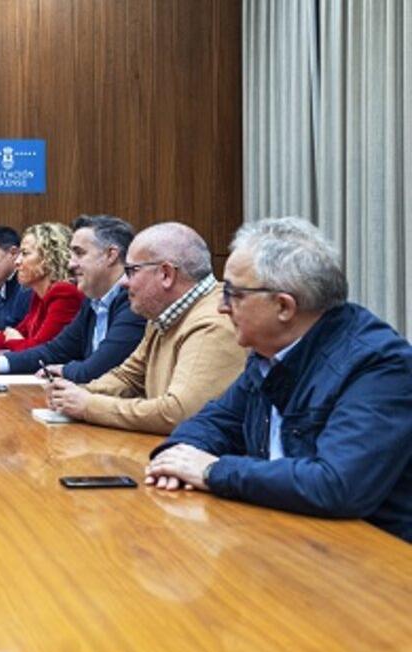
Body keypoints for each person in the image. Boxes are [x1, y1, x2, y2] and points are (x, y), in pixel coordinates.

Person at [146, 217, 412, 541]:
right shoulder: (267, 354)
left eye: (233, 294)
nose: (221, 307)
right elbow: (214, 421)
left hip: (373, 562)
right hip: (287, 538)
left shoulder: (379, 366)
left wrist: (212, 471)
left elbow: (337, 485)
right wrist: (177, 457)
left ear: (284, 307)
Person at [44, 222, 246, 434]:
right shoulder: (162, 315)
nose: (123, 282)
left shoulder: (213, 322)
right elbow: (128, 377)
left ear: (166, 274)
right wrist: (73, 393)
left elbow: (179, 413)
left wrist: (88, 406)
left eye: (131, 271)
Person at [0, 215, 145, 383]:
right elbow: (53, 351)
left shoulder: (133, 302)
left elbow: (98, 368)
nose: (70, 263)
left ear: (110, 255)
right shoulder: (92, 301)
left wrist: (63, 369)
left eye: (79, 253)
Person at [0, 222, 84, 352]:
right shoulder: (39, 295)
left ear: (48, 258)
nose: (17, 262)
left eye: (25, 253)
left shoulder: (65, 293)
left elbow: (40, 351)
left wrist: (13, 340)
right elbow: (21, 332)